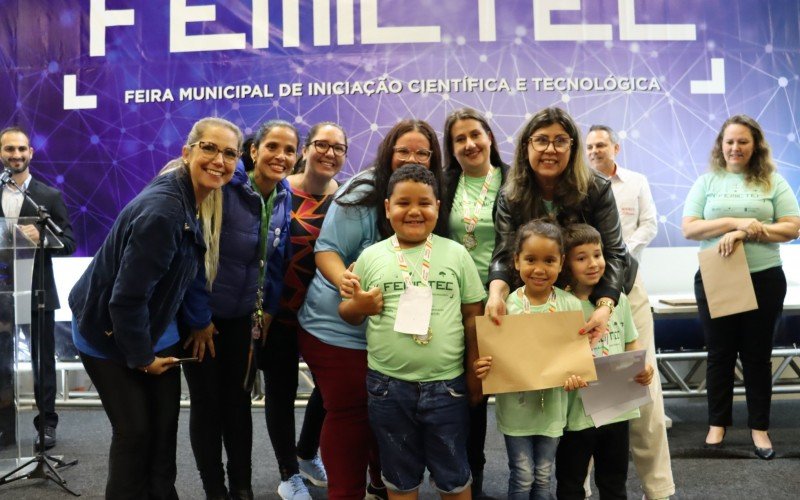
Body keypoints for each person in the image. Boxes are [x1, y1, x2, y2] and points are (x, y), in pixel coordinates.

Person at [486, 107, 674, 500]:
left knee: (636, 394)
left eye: (560, 140)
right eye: (541, 140)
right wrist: (497, 291)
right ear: (526, 147)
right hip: (556, 300)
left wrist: (605, 304)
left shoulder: (596, 188)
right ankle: (580, 491)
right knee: (574, 403)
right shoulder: (511, 192)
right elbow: (504, 254)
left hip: (614, 292)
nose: (550, 149)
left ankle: (659, 491)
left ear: (572, 146)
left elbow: (617, 254)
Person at [68, 117, 241, 499]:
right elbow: (125, 300)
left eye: (229, 153)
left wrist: (198, 322)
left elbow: (187, 269)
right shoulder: (164, 212)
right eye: (209, 148)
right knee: (135, 434)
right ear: (187, 153)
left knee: (163, 434)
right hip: (108, 331)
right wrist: (143, 359)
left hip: (155, 326)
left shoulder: (196, 196)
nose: (219, 160)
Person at [296, 119, 444, 500]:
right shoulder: (362, 190)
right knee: (351, 414)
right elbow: (327, 249)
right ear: (388, 153)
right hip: (336, 329)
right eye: (403, 151)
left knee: (389, 413)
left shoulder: (432, 193)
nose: (412, 158)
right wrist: (343, 281)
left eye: (422, 152)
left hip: (389, 334)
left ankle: (380, 483)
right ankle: (345, 492)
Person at [339, 164, 484, 500]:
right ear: (388, 207)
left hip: (447, 386)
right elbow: (347, 312)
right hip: (388, 388)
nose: (414, 211)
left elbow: (472, 314)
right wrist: (358, 306)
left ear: (437, 207)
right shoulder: (371, 257)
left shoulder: (457, 254)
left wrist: (474, 370)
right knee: (399, 476)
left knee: (454, 476)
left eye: (425, 203)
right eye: (403, 203)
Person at [179, 120, 295, 499]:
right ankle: (215, 489)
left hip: (243, 317)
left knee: (238, 403)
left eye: (290, 150)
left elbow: (277, 258)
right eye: (273, 147)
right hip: (202, 319)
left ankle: (241, 488)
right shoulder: (223, 186)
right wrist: (198, 320)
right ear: (254, 151)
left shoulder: (283, 194)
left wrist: (269, 309)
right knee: (207, 405)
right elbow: (193, 255)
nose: (281, 156)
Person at [682, 115, 800, 460]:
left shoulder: (772, 182)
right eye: (729, 141)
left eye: (743, 142)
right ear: (721, 145)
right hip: (717, 276)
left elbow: (792, 228)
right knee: (719, 354)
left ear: (755, 146)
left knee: (757, 356)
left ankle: (759, 429)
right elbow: (690, 229)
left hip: (764, 277)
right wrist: (735, 222)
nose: (735, 148)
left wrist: (744, 233)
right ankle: (716, 425)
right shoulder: (707, 182)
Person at [262, 122, 349, 499]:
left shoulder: (347, 200)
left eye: (338, 148)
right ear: (305, 149)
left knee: (330, 390)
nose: (329, 153)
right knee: (280, 394)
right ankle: (287, 474)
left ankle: (306, 453)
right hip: (276, 315)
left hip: (324, 317)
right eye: (322, 144)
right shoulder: (279, 190)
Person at [473, 219, 582, 500]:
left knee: (544, 476)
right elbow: (492, 357)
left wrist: (576, 376)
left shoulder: (569, 305)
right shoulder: (504, 307)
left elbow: (577, 358)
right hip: (516, 412)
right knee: (522, 475)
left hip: (553, 410)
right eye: (530, 259)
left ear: (561, 264)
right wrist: (483, 367)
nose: (539, 269)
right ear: (516, 262)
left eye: (549, 261)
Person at [556, 223, 654, 500]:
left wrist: (644, 369)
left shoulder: (617, 300)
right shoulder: (561, 303)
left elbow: (631, 344)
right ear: (566, 263)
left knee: (614, 482)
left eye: (597, 255)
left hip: (617, 409)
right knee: (570, 481)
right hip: (576, 415)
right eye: (582, 257)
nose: (593, 263)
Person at [441, 108, 508, 498]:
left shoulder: (513, 179)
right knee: (473, 393)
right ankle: (473, 481)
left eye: (475, 135)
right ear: (451, 149)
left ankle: (532, 478)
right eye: (459, 139)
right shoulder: (446, 182)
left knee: (522, 391)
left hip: (507, 301)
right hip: (459, 303)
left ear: (489, 137)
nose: (469, 144)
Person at [0, 126, 76, 450]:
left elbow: (69, 242)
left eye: (21, 149)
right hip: (2, 294)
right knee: (1, 363)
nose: (16, 155)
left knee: (42, 361)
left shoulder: (48, 196)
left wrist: (42, 239)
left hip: (38, 292)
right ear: (1, 154)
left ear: (31, 153)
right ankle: (4, 428)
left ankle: (46, 425)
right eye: (9, 150)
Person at [586, 125, 657, 263]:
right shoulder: (579, 185)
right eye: (589, 147)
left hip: (627, 266)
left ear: (616, 148)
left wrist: (623, 253)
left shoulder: (637, 181)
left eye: (600, 145)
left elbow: (649, 225)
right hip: (588, 269)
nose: (594, 151)